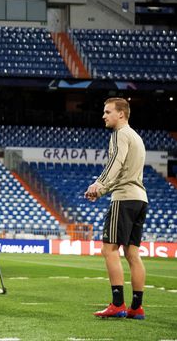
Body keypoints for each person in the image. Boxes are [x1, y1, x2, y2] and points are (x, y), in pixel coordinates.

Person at [85, 98, 148, 320]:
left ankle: (118, 304)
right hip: (140, 199)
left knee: (109, 249)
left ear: (121, 114)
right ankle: (136, 307)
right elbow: (126, 171)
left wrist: (98, 184)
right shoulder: (136, 137)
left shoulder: (120, 134)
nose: (104, 115)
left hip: (124, 199)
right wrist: (101, 191)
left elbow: (116, 164)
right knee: (132, 253)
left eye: (108, 111)